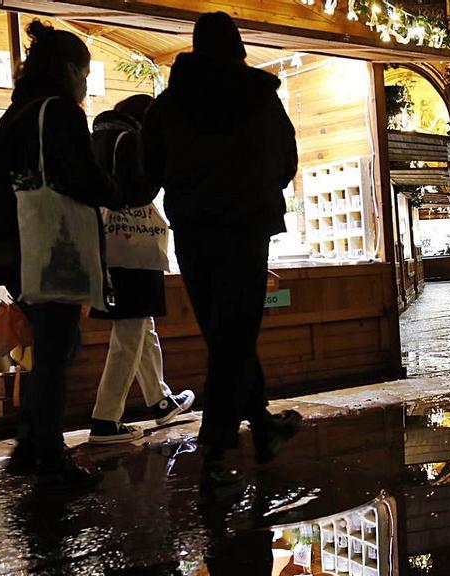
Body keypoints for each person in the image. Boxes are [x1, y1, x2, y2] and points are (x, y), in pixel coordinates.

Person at [142, 12, 302, 480]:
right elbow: (286, 160)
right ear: (237, 49)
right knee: (234, 331)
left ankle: (262, 423)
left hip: (193, 232)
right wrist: (254, 191)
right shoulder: (261, 100)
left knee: (222, 330)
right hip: (247, 230)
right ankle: (218, 440)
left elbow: (149, 173)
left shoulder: (166, 107)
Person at [0, 20, 119, 483]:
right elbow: (78, 177)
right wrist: (117, 189)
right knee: (57, 349)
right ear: (67, 69)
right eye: (84, 71)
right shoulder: (58, 112)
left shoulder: (17, 112)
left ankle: (29, 446)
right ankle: (48, 453)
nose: (85, 82)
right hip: (48, 247)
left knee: (47, 347)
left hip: (11, 248)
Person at [88, 95, 195, 445]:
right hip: (133, 251)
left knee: (139, 325)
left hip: (109, 247)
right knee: (129, 334)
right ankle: (106, 419)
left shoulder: (99, 139)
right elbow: (142, 189)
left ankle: (160, 400)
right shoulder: (132, 142)